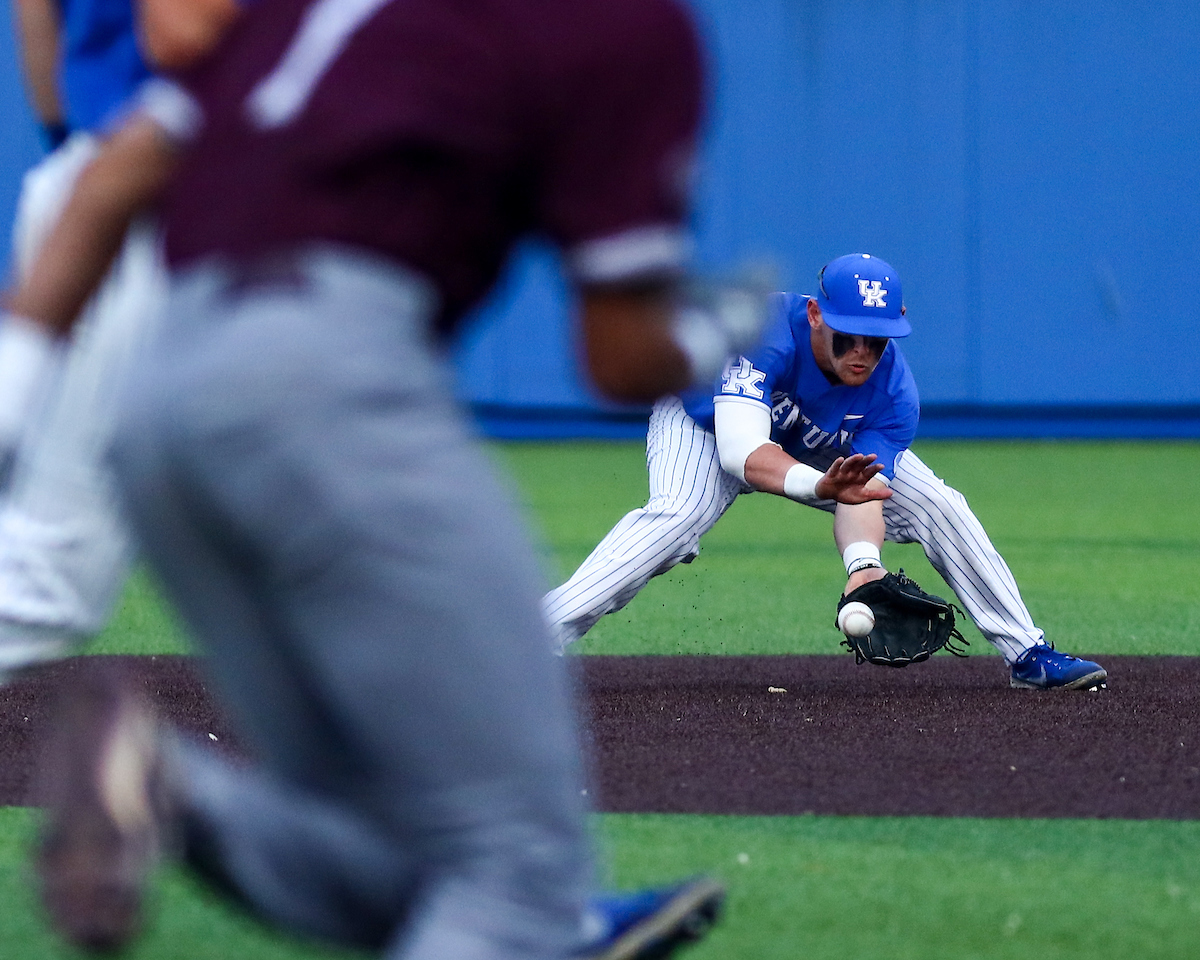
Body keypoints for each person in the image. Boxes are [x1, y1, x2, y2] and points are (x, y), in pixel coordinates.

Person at [2, 0, 758, 956]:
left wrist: (13, 394)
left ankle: (169, 785)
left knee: (386, 859)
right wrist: (712, 333)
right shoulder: (630, 25)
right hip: (328, 376)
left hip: (159, 402)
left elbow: (111, 177)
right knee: (517, 876)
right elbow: (618, 358)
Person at [543, 253, 1108, 692]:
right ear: (815, 314)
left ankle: (1028, 654)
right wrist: (820, 485)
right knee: (676, 519)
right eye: (847, 333)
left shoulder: (893, 395)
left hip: (815, 448)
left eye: (877, 338)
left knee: (940, 505)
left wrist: (864, 566)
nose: (862, 350)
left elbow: (862, 491)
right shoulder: (766, 330)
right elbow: (744, 454)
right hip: (707, 423)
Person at [1, 0, 241, 678]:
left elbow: (34, 17)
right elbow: (185, 31)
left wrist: (69, 145)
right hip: (159, 199)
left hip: (113, 182)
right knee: (47, 583)